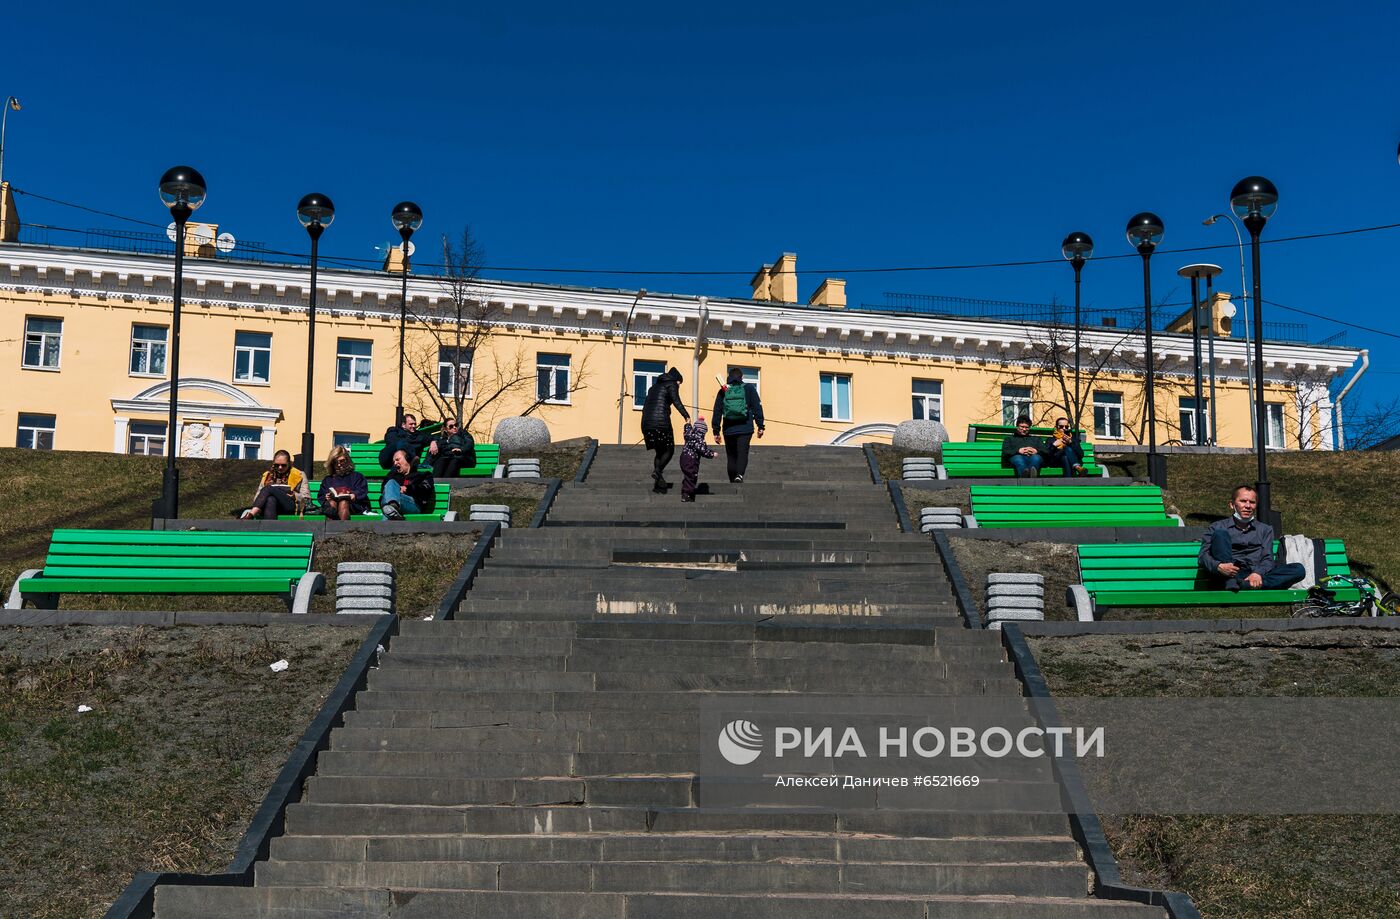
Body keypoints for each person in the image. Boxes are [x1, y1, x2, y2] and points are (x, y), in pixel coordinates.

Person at [1198, 485, 1305, 591]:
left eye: (1252, 502)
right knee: (1220, 534)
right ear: (1232, 504)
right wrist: (1219, 566)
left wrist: (1257, 573)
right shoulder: (1217, 527)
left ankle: (1246, 585)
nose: (1248, 506)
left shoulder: (1265, 530)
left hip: (1254, 574)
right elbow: (1203, 557)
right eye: (1243, 501)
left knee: (1298, 569)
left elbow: (1267, 559)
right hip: (1226, 574)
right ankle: (1234, 581)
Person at [640, 367, 689, 493]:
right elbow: (677, 401)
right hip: (661, 422)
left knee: (659, 452)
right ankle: (657, 471)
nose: (679, 385)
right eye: (679, 382)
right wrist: (686, 416)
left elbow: (646, 406)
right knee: (669, 450)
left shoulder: (653, 388)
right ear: (676, 379)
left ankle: (658, 481)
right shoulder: (672, 384)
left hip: (646, 423)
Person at [712, 368, 765, 483]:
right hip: (745, 427)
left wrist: (716, 431)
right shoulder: (749, 388)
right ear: (741, 377)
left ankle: (732, 479)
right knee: (742, 452)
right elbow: (757, 407)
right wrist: (760, 426)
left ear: (729, 377)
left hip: (729, 429)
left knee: (731, 455)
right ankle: (739, 475)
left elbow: (717, 410)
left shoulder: (724, 390)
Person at [242, 450, 310, 519]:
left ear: (289, 463)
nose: (280, 467)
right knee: (271, 499)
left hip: (290, 506)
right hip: (270, 506)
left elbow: (306, 498)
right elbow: (257, 497)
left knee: (269, 488)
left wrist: (294, 495)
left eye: (283, 465)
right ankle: (270, 528)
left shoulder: (299, 475)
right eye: (277, 465)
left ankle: (251, 514)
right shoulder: (267, 476)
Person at [380, 448, 437, 520]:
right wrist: (397, 487)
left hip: (414, 505)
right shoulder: (393, 475)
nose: (395, 463)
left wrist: (408, 488)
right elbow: (383, 489)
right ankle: (392, 508)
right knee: (390, 484)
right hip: (393, 503)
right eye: (394, 461)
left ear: (407, 459)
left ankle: (392, 506)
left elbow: (424, 490)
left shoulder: (424, 475)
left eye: (397, 459)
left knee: (387, 505)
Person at [317, 445, 370, 521]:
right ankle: (329, 531)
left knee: (343, 502)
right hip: (332, 505)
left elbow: (362, 491)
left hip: (353, 505)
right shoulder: (328, 480)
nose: (339, 464)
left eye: (342, 461)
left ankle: (343, 531)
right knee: (331, 504)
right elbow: (321, 496)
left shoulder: (357, 476)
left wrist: (353, 495)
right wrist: (326, 497)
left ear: (347, 460)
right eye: (335, 462)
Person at [679, 416, 717, 502]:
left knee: (688, 475)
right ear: (703, 432)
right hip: (691, 460)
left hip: (683, 458)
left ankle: (688, 493)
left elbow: (687, 428)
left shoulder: (689, 434)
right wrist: (712, 454)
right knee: (692, 476)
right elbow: (703, 450)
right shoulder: (699, 440)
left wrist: (688, 423)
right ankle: (686, 494)